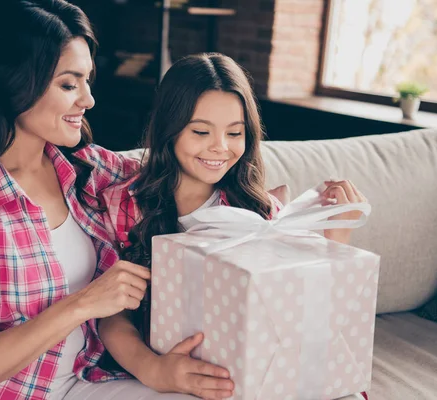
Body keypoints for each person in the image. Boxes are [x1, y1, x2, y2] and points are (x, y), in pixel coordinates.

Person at [0, 1, 190, 399]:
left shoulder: (85, 169)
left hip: (84, 380)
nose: (89, 100)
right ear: (11, 83)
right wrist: (82, 304)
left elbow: (176, 178)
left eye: (87, 81)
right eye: (69, 84)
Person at [98, 53, 368, 399]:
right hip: (157, 370)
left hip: (249, 371)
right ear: (169, 129)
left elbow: (302, 312)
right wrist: (155, 370)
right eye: (200, 131)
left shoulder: (258, 211)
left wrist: (337, 238)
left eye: (235, 133)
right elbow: (111, 316)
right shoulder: (127, 206)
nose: (220, 148)